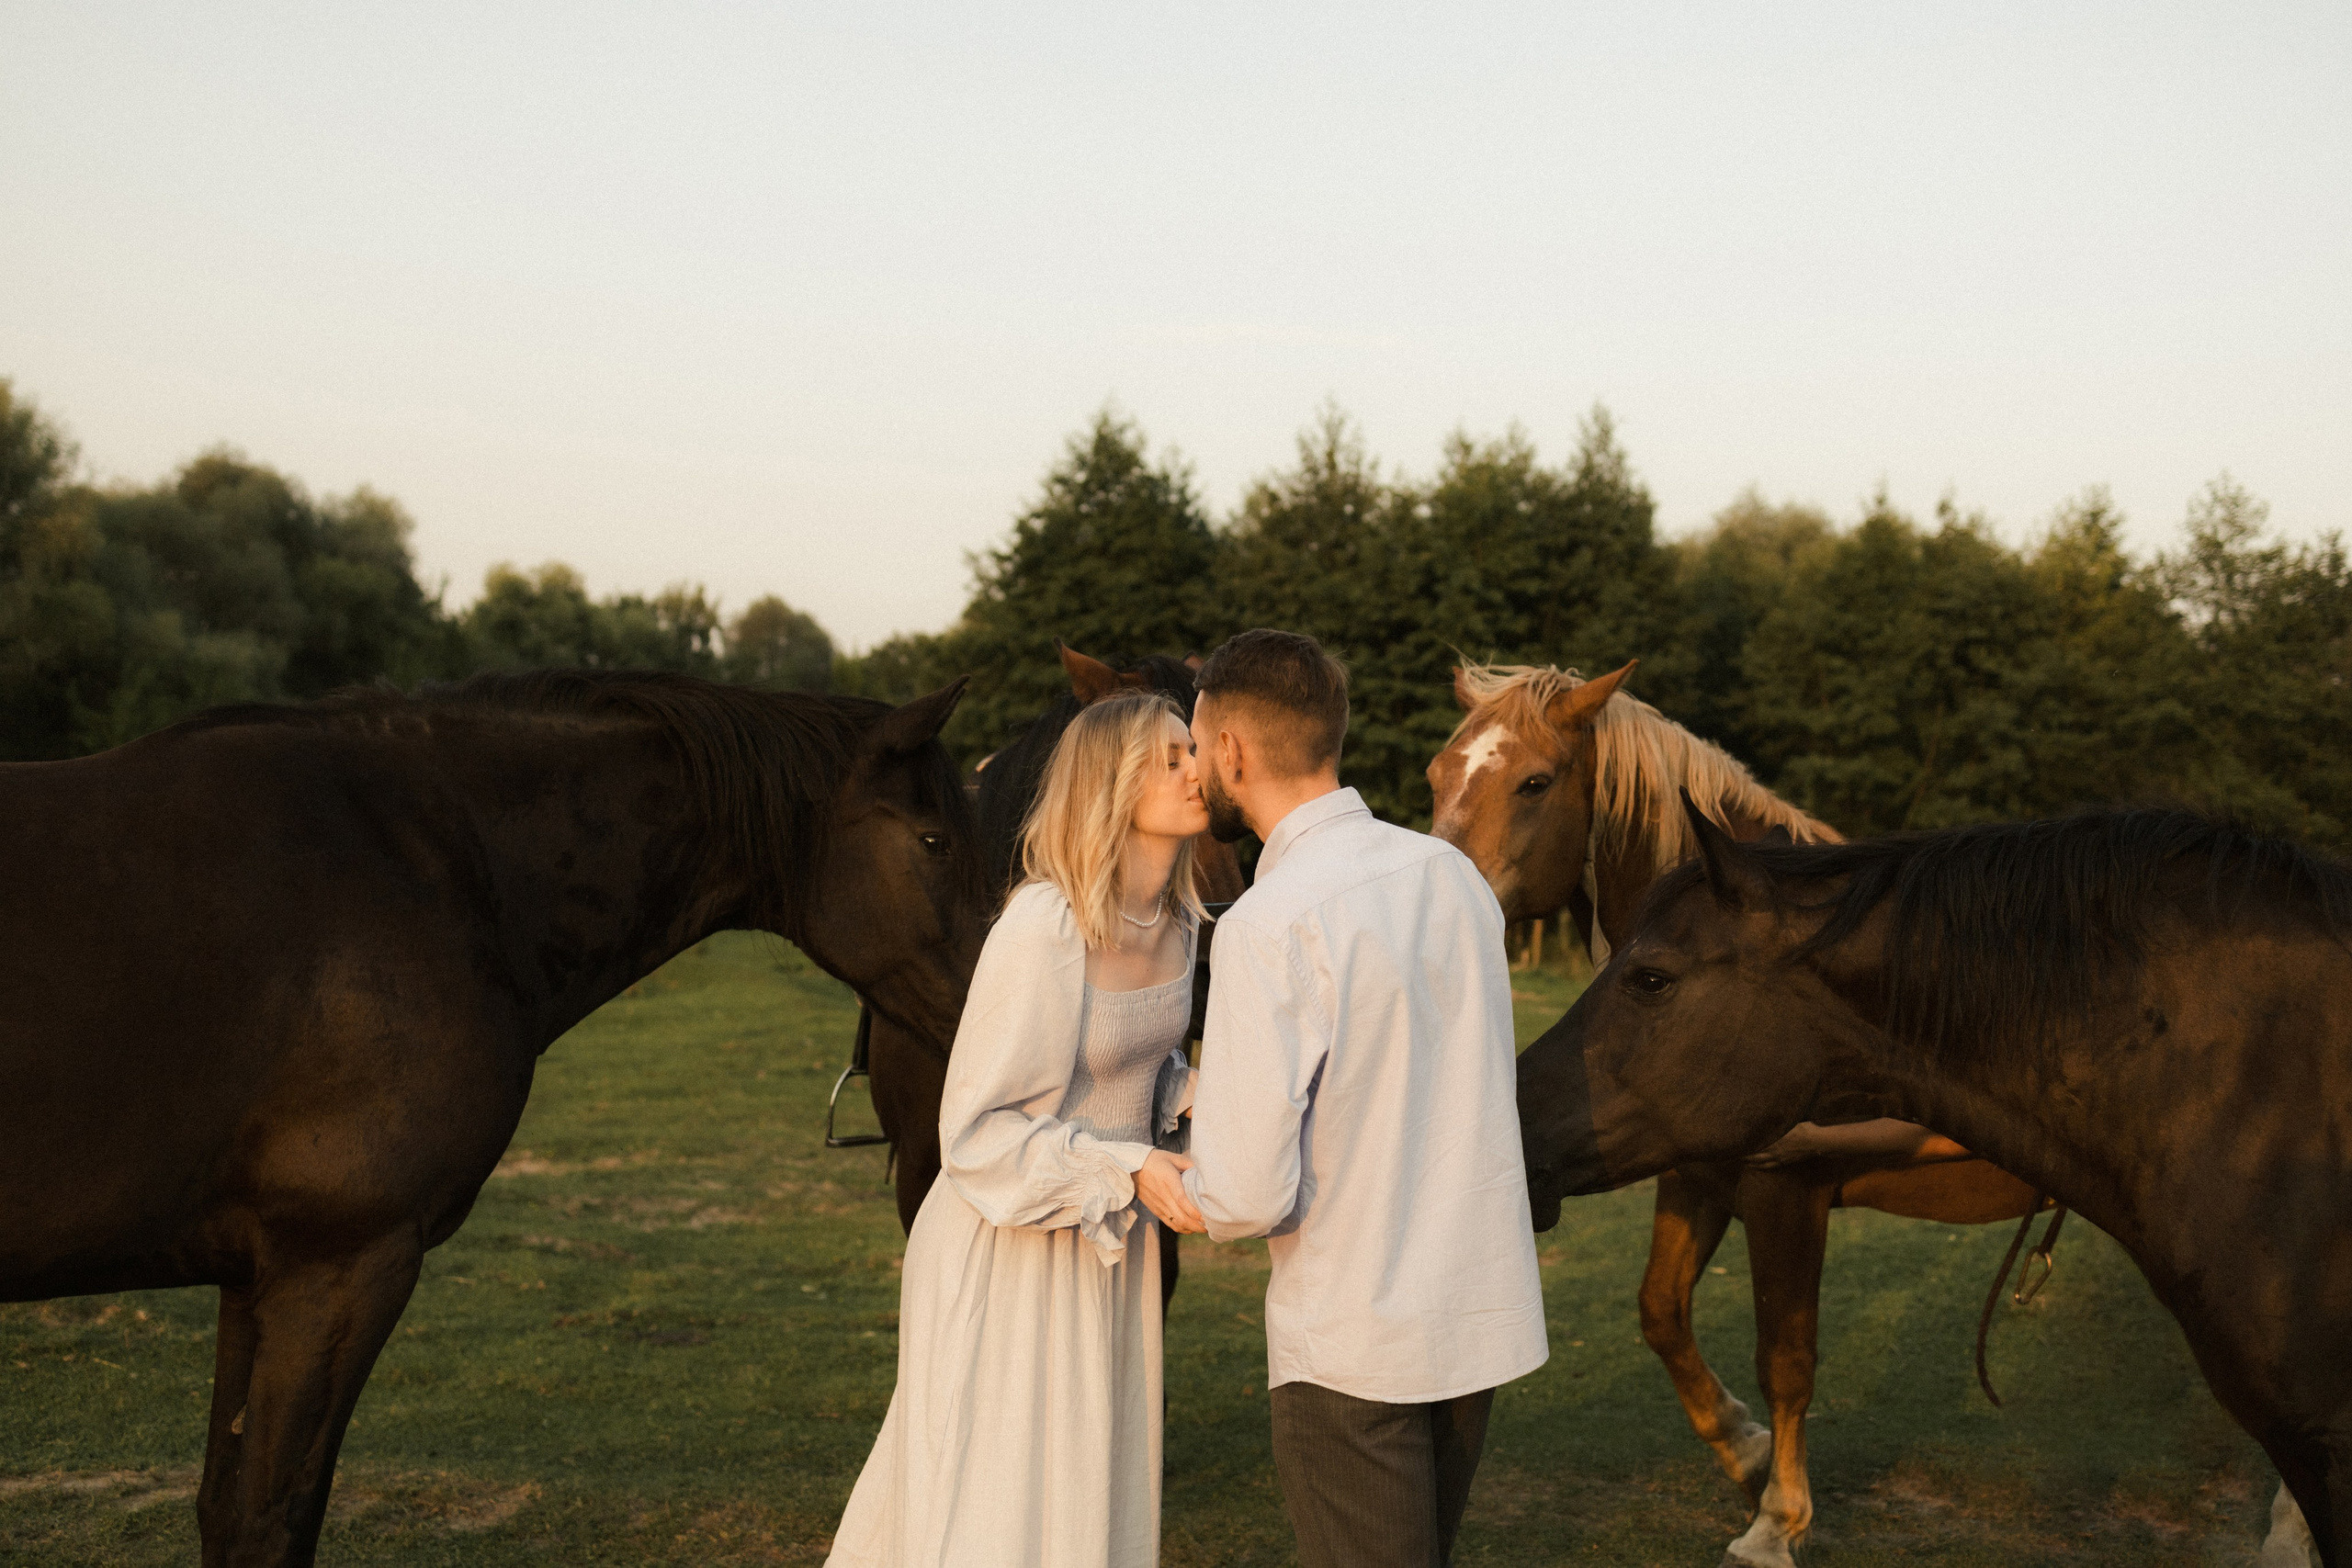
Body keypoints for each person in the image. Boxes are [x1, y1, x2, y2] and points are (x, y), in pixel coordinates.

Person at [1168, 628, 1548, 1568]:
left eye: (1193, 744)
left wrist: (1143, 1170)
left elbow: (1245, 1198)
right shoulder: (1451, 877)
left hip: (1355, 1343)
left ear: (1231, 751)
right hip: (1472, 1321)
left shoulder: (1268, 922)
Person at [825, 690, 1211, 1568]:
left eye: (1196, 750)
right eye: (1173, 756)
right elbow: (975, 1133)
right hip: (1007, 1246)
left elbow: (1128, 1074)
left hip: (1111, 1247)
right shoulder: (1045, 927)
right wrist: (1128, 1168)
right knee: (998, 1500)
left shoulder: (1183, 925)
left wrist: (1193, 1097)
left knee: (1087, 1486)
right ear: (1110, 784)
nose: (1199, 770)